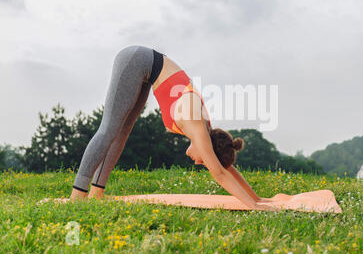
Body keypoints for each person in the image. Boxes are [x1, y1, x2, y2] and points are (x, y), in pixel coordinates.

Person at [70, 45, 275, 210]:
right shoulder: (196, 125)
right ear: (208, 148)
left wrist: (257, 199)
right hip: (137, 60)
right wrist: (253, 207)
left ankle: (97, 193)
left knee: (122, 133)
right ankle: (77, 196)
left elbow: (225, 167)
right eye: (204, 159)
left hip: (148, 71)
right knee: (108, 129)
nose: (198, 162)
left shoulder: (206, 132)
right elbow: (219, 173)